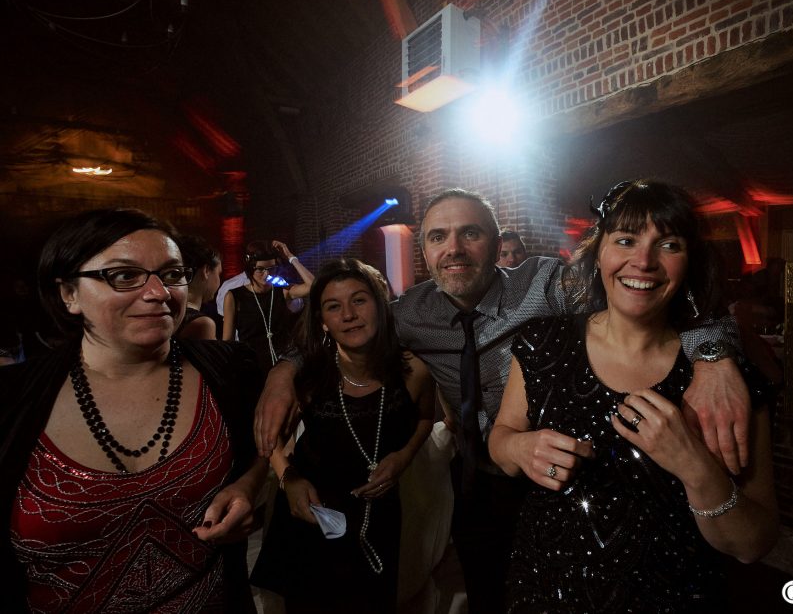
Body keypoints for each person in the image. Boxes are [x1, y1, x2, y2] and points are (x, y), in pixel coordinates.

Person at [255, 188, 751, 613]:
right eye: (437, 237)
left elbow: (651, 286)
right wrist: (285, 369)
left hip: (562, 477)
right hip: (474, 479)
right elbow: (338, 328)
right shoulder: (408, 314)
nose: (455, 249)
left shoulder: (546, 285)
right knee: (486, 589)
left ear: (496, 242)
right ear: (424, 254)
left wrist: (713, 356)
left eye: (470, 233)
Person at [488, 179, 779, 612]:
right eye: (625, 240)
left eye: (669, 245)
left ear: (690, 263)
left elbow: (752, 544)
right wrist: (518, 445)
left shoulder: (723, 380)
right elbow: (501, 438)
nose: (643, 261)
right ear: (599, 252)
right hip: (544, 591)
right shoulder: (540, 343)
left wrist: (694, 466)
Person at [0, 208, 268, 612]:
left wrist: (250, 486)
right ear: (68, 294)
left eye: (173, 274)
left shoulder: (229, 372)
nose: (160, 293)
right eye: (124, 276)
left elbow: (263, 450)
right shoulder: (12, 400)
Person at [250, 258, 433, 612]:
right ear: (321, 320)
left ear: (380, 306)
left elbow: (425, 418)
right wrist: (289, 479)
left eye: (359, 300)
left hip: (377, 513)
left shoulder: (414, 371)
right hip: (313, 510)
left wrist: (404, 456)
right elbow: (273, 442)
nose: (348, 314)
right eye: (334, 306)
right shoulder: (308, 377)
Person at [222, 240, 315, 371]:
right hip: (250, 367)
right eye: (260, 269)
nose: (267, 274)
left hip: (283, 365)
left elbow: (313, 285)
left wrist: (290, 257)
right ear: (250, 268)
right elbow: (228, 342)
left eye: (271, 269)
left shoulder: (282, 291)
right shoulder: (234, 296)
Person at [176, 233, 223, 339]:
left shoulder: (171, 314)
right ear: (206, 271)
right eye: (219, 274)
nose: (219, 281)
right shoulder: (201, 325)